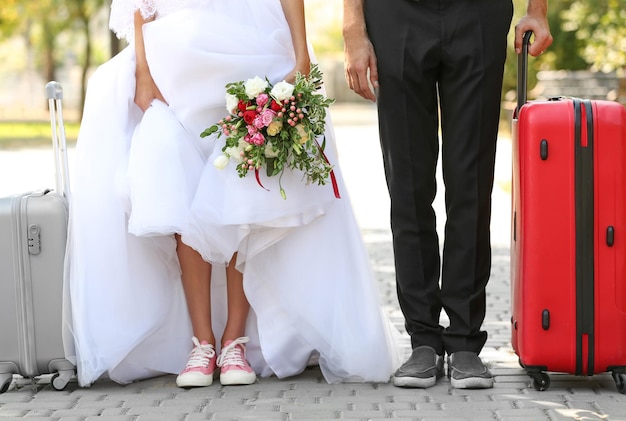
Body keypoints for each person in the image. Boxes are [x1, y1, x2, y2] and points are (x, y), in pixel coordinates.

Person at [63, 0, 400, 388]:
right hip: (175, 52)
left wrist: (301, 54)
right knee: (178, 186)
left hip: (253, 43)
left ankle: (234, 340)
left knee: (243, 176)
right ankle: (201, 341)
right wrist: (142, 70)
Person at [342, 0, 552, 389]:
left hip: (477, 14)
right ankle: (423, 341)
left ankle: (464, 342)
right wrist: (353, 29)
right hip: (395, 14)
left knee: (470, 182)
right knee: (407, 184)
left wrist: (537, 10)